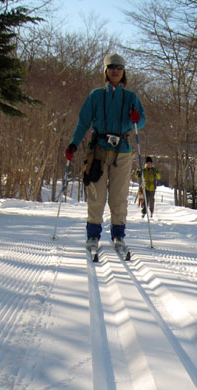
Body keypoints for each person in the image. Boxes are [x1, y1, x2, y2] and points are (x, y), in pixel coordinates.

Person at [65, 53, 145, 247]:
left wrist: (137, 118)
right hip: (98, 151)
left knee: (119, 196)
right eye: (111, 67)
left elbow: (141, 121)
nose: (115, 71)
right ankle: (93, 233)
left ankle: (119, 234)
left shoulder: (130, 97)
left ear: (123, 72)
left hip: (123, 152)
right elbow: (84, 122)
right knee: (96, 195)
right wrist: (74, 143)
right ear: (106, 71)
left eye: (119, 68)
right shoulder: (96, 95)